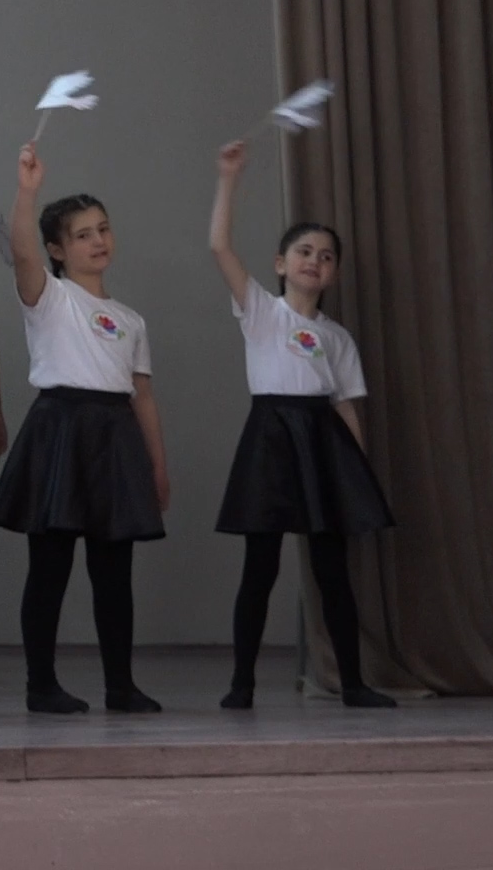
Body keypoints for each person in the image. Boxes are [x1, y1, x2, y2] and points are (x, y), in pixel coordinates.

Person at [208, 140, 395, 709]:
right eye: (304, 251)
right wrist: (228, 178)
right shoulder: (262, 312)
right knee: (260, 567)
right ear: (281, 264)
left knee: (332, 570)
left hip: (321, 441)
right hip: (270, 436)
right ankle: (241, 683)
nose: (315, 260)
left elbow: (345, 406)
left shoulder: (337, 338)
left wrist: (355, 476)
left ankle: (353, 683)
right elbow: (219, 245)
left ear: (333, 273)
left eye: (326, 256)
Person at [0, 143, 169, 715]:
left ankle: (120, 685)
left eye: (103, 229)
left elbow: (142, 396)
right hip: (60, 428)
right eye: (83, 234)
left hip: (115, 436)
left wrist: (156, 465)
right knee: (50, 566)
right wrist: (28, 191)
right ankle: (41, 684)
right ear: (58, 250)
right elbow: (20, 250)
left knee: (114, 572)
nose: (98, 240)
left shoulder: (131, 320)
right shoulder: (51, 297)